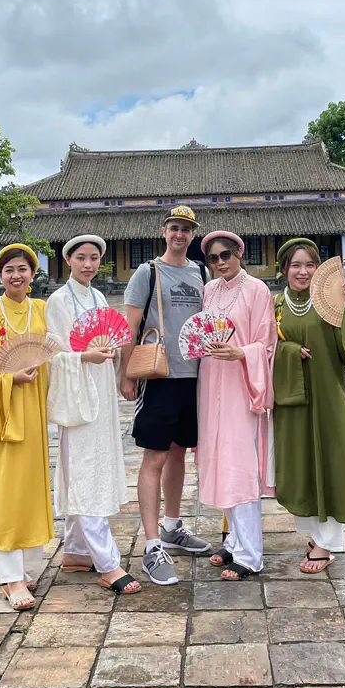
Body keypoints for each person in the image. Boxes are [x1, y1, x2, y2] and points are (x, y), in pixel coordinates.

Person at [45, 234, 141, 596]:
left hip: (100, 395)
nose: (88, 264)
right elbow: (53, 354)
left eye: (94, 258)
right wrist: (84, 356)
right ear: (68, 259)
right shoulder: (57, 301)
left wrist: (112, 352)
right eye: (81, 258)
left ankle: (76, 551)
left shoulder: (99, 297)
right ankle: (107, 562)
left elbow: (109, 338)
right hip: (78, 395)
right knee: (84, 471)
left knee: (92, 466)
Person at [121, 205, 212, 585]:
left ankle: (173, 526)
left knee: (179, 453)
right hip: (159, 375)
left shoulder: (201, 272)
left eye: (186, 230)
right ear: (164, 232)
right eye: (174, 228)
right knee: (154, 456)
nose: (180, 235)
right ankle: (152, 544)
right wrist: (126, 376)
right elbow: (128, 326)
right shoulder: (148, 272)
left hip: (194, 376)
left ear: (192, 236)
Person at [272, 239, 345, 573]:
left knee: (331, 462)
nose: (302, 272)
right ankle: (315, 535)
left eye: (309, 265)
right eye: (295, 265)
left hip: (327, 395)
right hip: (292, 400)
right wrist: (288, 352)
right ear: (284, 268)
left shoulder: (329, 302)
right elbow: (266, 347)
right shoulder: (275, 306)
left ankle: (328, 543)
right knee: (300, 464)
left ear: (319, 269)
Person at [0, 243, 54, 611]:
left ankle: (28, 566)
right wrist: (9, 378)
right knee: (4, 490)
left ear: (33, 274)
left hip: (33, 412)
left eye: (23, 268)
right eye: (9, 269)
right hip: (1, 413)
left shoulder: (43, 310)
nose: (16, 275)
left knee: (30, 487)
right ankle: (9, 576)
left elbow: (59, 353)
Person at [196, 231, 276, 580]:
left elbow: (267, 342)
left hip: (241, 385)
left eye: (226, 255)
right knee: (219, 459)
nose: (220, 262)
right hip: (211, 381)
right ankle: (232, 542)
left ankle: (250, 554)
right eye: (213, 258)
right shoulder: (209, 290)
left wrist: (241, 352)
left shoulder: (257, 290)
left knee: (240, 464)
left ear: (240, 253)